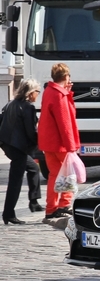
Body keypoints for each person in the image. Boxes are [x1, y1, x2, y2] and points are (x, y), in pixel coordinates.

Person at [38, 63, 81, 220]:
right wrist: (71, 146)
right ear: (66, 77)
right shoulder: (59, 95)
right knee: (69, 174)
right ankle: (64, 204)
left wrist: (67, 92)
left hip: (48, 143)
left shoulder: (49, 91)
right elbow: (65, 122)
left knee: (54, 175)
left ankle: (51, 208)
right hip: (60, 144)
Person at [0, 79, 43, 224]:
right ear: (31, 93)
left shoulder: (10, 103)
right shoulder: (27, 107)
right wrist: (38, 143)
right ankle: (9, 214)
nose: (37, 95)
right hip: (18, 147)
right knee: (15, 181)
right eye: (37, 92)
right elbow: (30, 131)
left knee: (33, 169)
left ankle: (34, 201)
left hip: (8, 145)